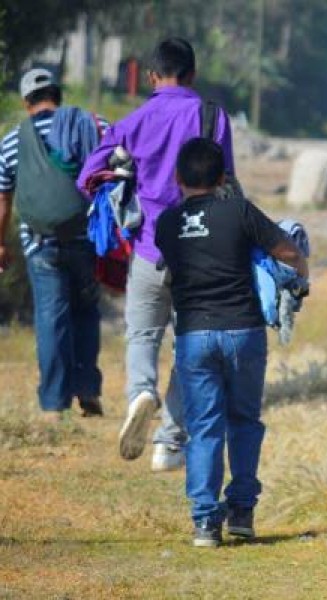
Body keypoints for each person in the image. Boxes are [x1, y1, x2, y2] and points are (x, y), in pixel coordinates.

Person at [79, 38, 236, 472]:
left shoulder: (133, 120)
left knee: (143, 335)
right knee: (191, 346)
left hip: (149, 249)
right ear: (193, 74)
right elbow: (229, 180)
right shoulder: (211, 116)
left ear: (151, 76)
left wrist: (124, 173)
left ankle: (140, 394)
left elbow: (88, 176)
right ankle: (169, 441)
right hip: (202, 255)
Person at [155, 137, 308, 547]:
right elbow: (288, 251)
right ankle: (241, 511)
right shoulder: (239, 211)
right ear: (223, 176)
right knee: (244, 421)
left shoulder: (166, 223)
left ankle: (206, 522)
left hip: (194, 335)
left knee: (204, 427)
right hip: (243, 332)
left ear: (177, 177)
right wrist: (301, 275)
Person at [0, 68, 106, 421]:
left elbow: (3, 200)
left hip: (40, 243)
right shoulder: (88, 126)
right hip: (86, 240)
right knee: (87, 312)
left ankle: (53, 403)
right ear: (57, 95)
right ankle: (88, 389)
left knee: (51, 318)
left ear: (26, 102)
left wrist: (1, 243)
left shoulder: (12, 141)